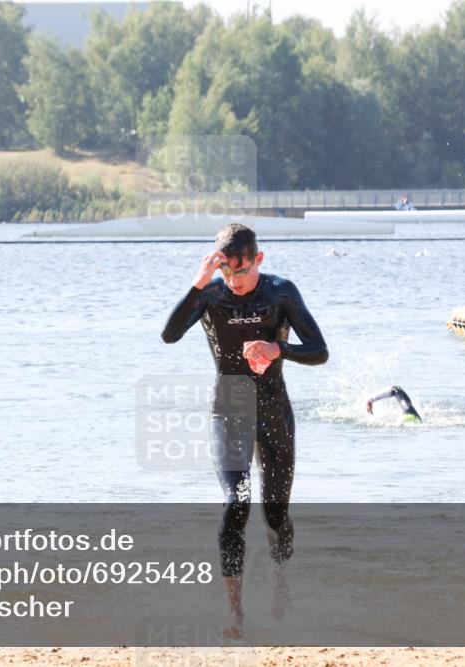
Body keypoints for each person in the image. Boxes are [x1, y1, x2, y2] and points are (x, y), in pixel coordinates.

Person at [161, 223, 328, 638]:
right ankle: (234, 614)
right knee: (236, 503)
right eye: (226, 274)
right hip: (230, 408)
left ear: (258, 259)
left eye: (241, 272)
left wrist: (279, 349)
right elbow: (169, 335)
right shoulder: (211, 294)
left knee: (275, 514)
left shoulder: (280, 292)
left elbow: (320, 351)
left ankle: (280, 579)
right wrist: (198, 284)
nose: (234, 282)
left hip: (273, 410)